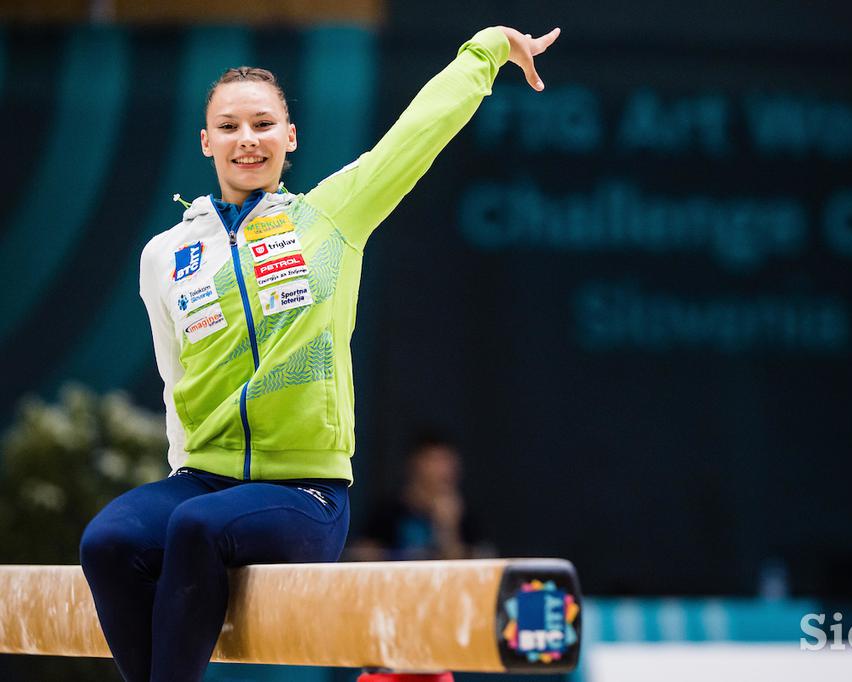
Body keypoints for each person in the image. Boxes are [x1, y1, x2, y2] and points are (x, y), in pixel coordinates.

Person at [78, 25, 561, 682]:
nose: (246, 137)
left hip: (305, 494)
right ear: (206, 142)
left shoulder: (331, 217)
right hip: (201, 482)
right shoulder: (166, 255)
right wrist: (178, 476)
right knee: (106, 543)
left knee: (193, 529)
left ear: (290, 137)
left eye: (262, 123)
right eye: (229, 126)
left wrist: (487, 51)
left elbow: (417, 135)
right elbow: (174, 379)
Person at [350, 433, 494, 561]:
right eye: (435, 461)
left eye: (447, 461)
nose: (443, 470)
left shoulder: (464, 515)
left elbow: (474, 568)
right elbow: (361, 554)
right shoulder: (388, 512)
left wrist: (448, 529)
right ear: (414, 464)